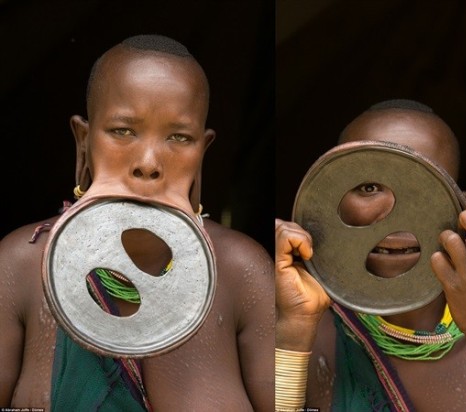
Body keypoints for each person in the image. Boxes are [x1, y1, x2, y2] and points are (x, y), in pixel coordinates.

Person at [0, 34, 274, 411]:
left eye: (179, 137)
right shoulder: (20, 264)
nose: (148, 162)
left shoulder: (242, 271)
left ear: (203, 151)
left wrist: (296, 330)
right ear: (84, 139)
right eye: (122, 131)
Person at [275, 99, 466, 411]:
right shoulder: (305, 322)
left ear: (461, 211)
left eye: (421, 190)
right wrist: (294, 334)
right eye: (368, 187)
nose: (394, 216)